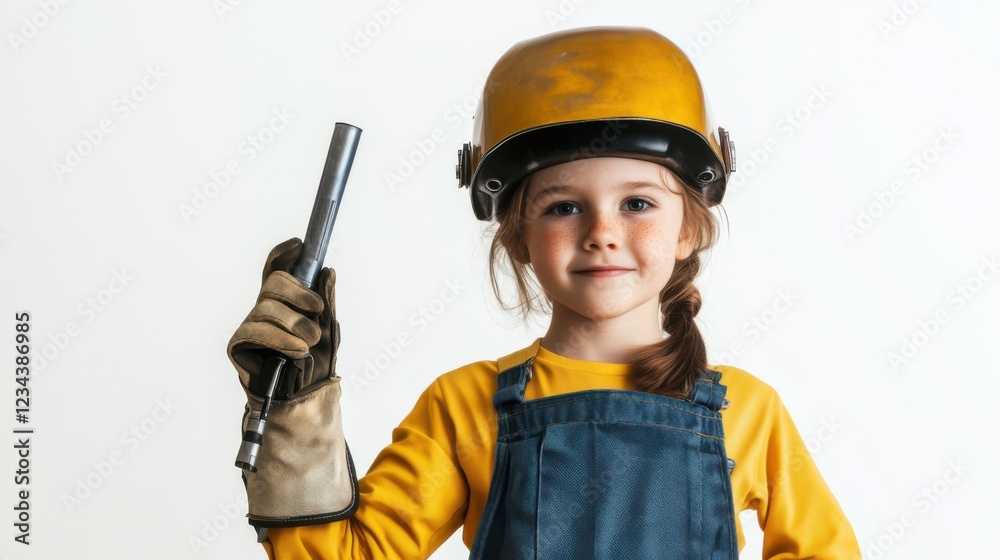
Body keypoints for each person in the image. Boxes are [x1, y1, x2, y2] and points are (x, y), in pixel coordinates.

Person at [227, 26, 862, 559]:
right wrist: (289, 421)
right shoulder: (463, 406)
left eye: (637, 202)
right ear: (519, 238)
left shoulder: (748, 412)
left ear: (689, 229)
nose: (602, 234)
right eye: (563, 208)